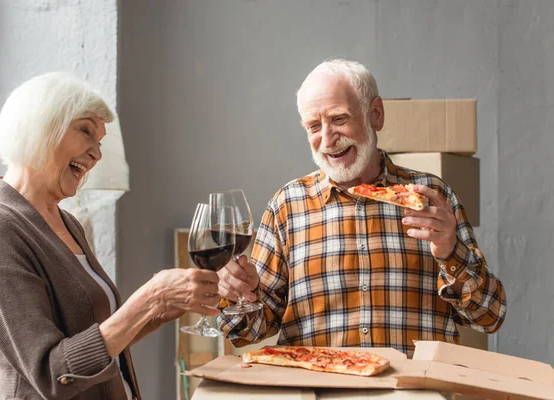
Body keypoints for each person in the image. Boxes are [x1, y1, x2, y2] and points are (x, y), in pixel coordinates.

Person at [0, 72, 221, 400]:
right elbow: (51, 374)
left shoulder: (67, 222)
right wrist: (148, 299)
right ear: (40, 126)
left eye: (99, 142)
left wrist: (158, 310)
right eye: (85, 131)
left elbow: (92, 344)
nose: (97, 154)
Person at [217, 59, 506, 357]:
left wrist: (450, 254)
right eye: (314, 126)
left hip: (414, 391)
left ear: (376, 115)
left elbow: (490, 316)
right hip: (321, 389)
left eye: (339, 120)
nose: (327, 140)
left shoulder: (432, 197)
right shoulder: (286, 207)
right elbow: (245, 333)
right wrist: (239, 293)